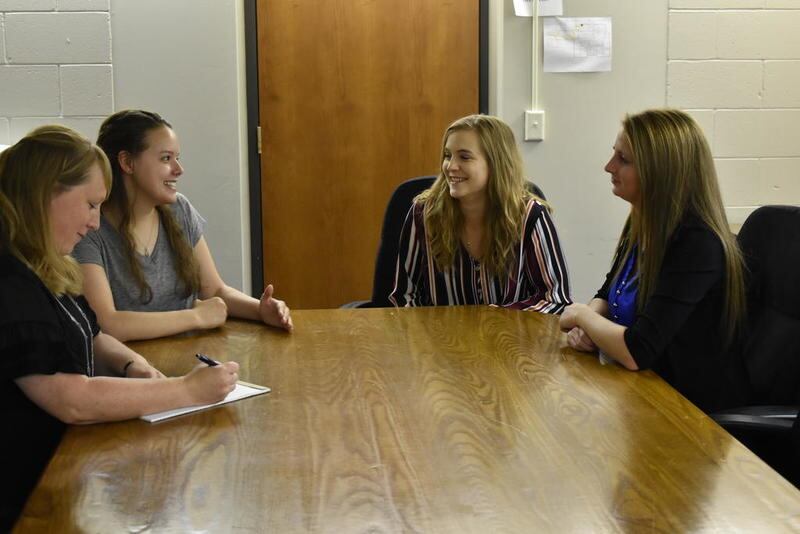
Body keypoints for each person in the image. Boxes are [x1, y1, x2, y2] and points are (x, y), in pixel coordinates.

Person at [0, 126, 240, 530]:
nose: (95, 222)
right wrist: (184, 390)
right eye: (90, 205)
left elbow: (92, 333)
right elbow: (71, 399)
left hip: (62, 465)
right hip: (24, 495)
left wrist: (132, 366)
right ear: (47, 195)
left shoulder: (42, 264)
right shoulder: (9, 282)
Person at [559, 108, 750, 413]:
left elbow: (638, 350)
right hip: (644, 393)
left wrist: (582, 316)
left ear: (660, 172)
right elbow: (609, 293)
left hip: (693, 417)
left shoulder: (697, 244)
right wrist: (590, 327)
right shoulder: (642, 224)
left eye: (623, 159)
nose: (609, 167)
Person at [73, 110, 292, 342]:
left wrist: (260, 310)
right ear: (127, 162)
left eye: (177, 158)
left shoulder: (180, 209)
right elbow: (108, 324)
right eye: (166, 158)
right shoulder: (90, 228)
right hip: (135, 372)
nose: (178, 169)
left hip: (192, 360)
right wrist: (195, 317)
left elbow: (215, 291)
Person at [389, 114, 571, 311]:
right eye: (448, 155)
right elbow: (405, 295)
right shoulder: (424, 213)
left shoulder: (530, 216)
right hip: (441, 339)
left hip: (509, 338)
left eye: (464, 157)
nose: (450, 167)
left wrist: (494, 321)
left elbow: (555, 298)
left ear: (496, 164)